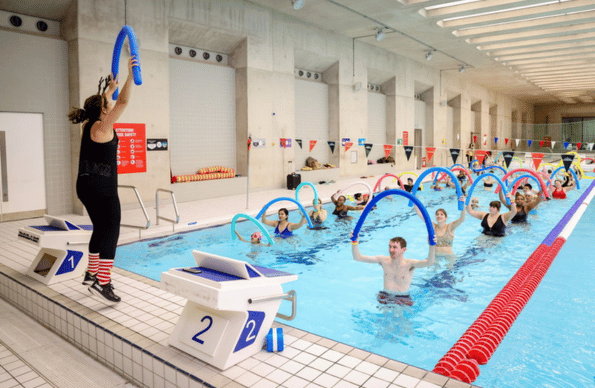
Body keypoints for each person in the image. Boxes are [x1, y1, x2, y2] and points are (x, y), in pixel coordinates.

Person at [69, 56, 139, 303]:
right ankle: (103, 282)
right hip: (103, 188)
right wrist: (131, 75)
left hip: (84, 186)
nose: (109, 106)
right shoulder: (102, 127)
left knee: (99, 227)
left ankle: (90, 273)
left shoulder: (87, 124)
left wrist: (107, 92)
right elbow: (123, 101)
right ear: (102, 110)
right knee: (111, 230)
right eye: (105, 105)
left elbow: (110, 102)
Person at [351, 233, 436, 306]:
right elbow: (358, 258)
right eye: (390, 246)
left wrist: (432, 245)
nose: (391, 250)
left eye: (395, 247)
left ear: (403, 250)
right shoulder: (383, 260)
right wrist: (354, 242)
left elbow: (430, 262)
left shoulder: (410, 264)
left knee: (403, 323)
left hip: (402, 298)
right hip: (384, 295)